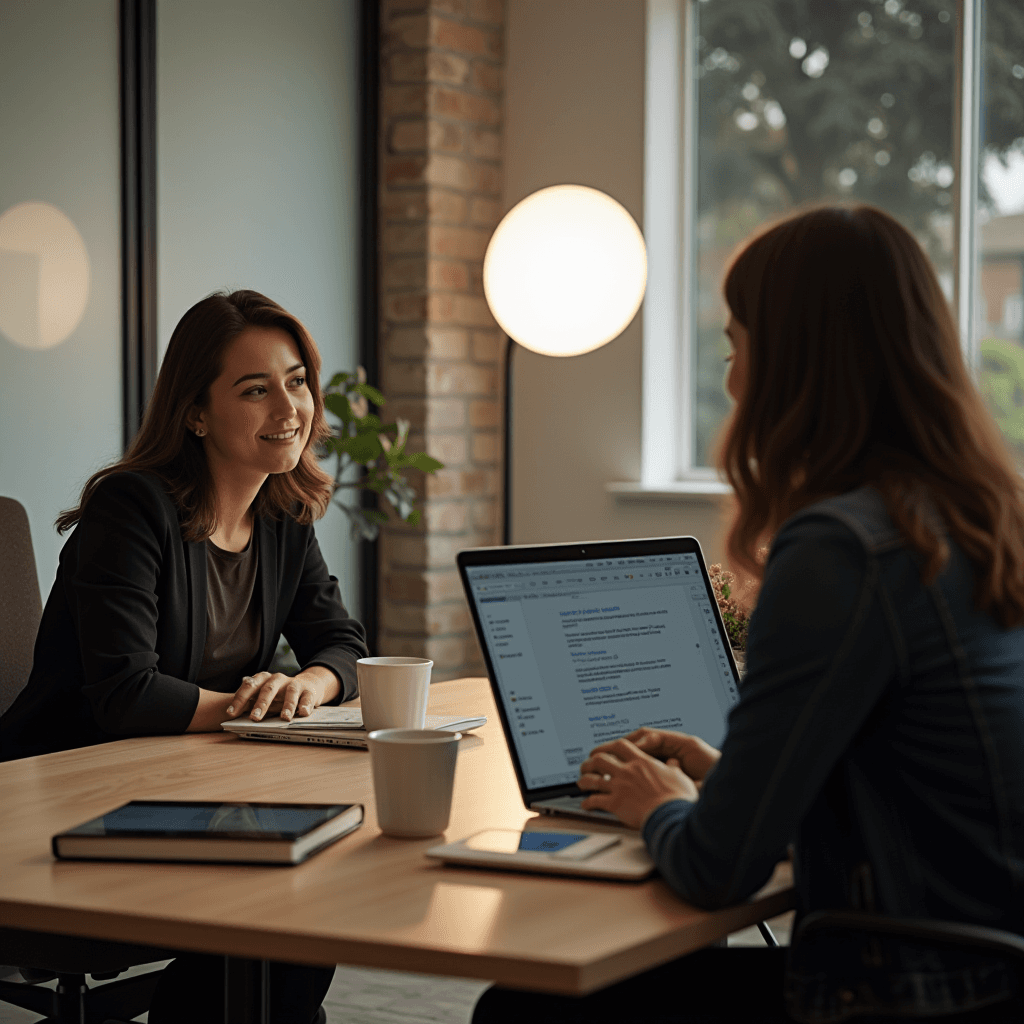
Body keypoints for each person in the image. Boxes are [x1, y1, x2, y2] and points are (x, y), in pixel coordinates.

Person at [472, 205, 1024, 1024]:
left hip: (914, 990)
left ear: (799, 361)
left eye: (736, 345)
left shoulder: (842, 552)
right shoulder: (968, 518)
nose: (731, 379)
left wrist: (658, 801)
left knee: (524, 1009)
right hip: (988, 970)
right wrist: (723, 775)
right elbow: (911, 783)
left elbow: (717, 869)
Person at [0, 289, 369, 1022]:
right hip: (67, 798)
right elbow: (126, 695)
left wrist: (310, 687)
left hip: (186, 789)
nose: (289, 408)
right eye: (255, 389)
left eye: (296, 381)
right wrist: (253, 711)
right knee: (282, 904)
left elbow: (343, 642)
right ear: (196, 412)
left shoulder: (283, 513)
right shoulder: (132, 509)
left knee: (313, 889)